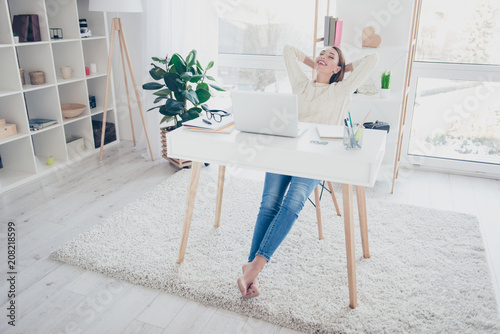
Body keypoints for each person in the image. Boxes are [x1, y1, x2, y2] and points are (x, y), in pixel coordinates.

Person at [237, 43, 378, 299]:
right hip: (287, 150)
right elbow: (288, 50)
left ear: (338, 67)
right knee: (268, 203)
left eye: (330, 56)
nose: (323, 56)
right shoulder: (301, 86)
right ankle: (251, 274)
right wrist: (316, 63)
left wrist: (342, 69)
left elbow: (372, 58)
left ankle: (255, 266)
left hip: (317, 158)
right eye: (321, 53)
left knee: (293, 201)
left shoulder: (341, 89)